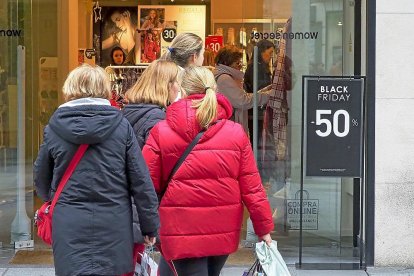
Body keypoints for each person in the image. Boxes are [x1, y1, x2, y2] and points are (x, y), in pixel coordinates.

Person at [143, 66, 274, 275]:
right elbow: (252, 187)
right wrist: (263, 228)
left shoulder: (161, 132)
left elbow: (146, 186)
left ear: (182, 91)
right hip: (222, 229)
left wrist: (145, 225)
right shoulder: (235, 133)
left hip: (179, 229)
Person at [33, 64, 160, 276]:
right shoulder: (121, 126)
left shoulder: (54, 127)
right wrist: (150, 227)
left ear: (70, 88)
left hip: (69, 221)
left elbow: (41, 177)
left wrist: (55, 197)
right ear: (104, 88)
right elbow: (140, 181)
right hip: (114, 222)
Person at [214, 45, 272, 134]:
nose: (240, 66)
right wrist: (269, 94)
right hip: (231, 129)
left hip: (231, 126)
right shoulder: (224, 78)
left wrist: (265, 91)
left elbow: (242, 98)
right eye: (237, 63)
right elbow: (242, 101)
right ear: (227, 62)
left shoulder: (225, 76)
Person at [243, 40, 275, 143]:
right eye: (270, 53)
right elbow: (259, 88)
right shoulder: (255, 67)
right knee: (258, 141)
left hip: (258, 110)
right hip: (257, 111)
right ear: (262, 52)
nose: (271, 57)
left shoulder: (259, 66)